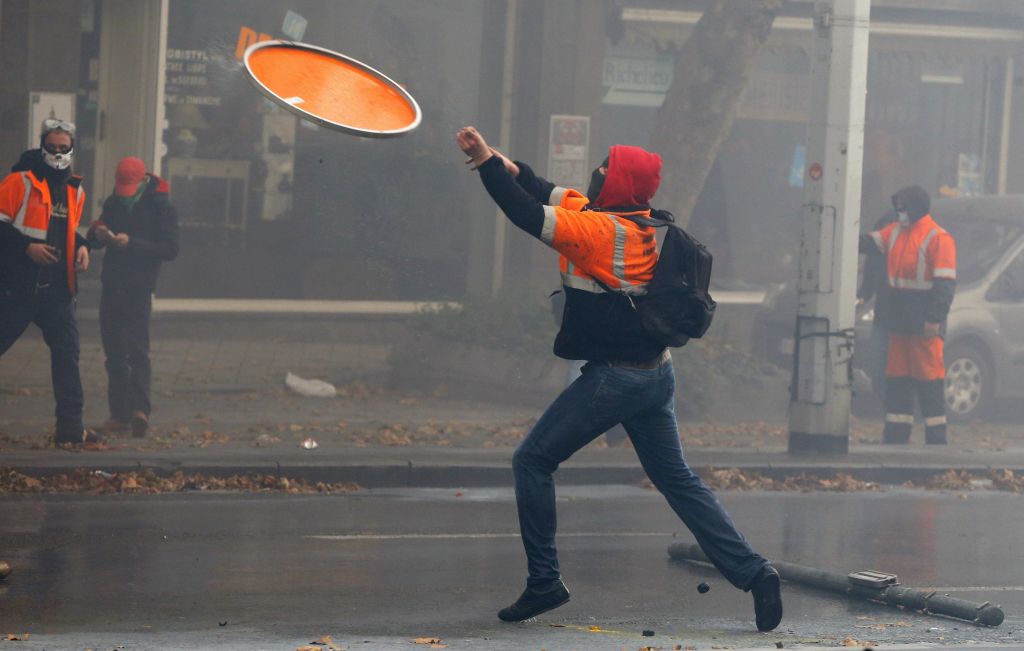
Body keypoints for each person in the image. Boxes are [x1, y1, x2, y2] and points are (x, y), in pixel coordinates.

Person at [455, 126, 782, 631]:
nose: (597, 170)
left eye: (606, 166)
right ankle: (755, 573)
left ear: (618, 181)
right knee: (678, 480)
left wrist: (481, 165)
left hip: (617, 380)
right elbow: (538, 187)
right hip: (656, 375)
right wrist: (495, 156)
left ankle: (544, 581)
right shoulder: (619, 217)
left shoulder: (597, 233)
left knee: (532, 461)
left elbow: (524, 212)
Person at [0, 119, 98, 446]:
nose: (57, 153)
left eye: (63, 148)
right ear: (42, 147)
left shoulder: (75, 189)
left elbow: (64, 228)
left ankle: (71, 430)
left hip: (57, 289)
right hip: (18, 287)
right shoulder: (19, 182)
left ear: (72, 149)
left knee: (68, 354)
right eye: (52, 147)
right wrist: (26, 247)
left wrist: (81, 245)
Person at [88, 157, 179, 438]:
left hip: (139, 285)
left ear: (143, 181)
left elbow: (170, 248)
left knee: (137, 349)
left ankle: (140, 409)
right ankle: (120, 413)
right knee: (114, 351)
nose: (123, 192)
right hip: (113, 283)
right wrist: (97, 234)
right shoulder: (113, 202)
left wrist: (133, 244)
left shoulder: (161, 207)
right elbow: (93, 241)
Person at [860, 185, 956, 444]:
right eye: (897, 204)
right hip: (899, 324)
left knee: (929, 383)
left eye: (903, 205)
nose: (899, 211)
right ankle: (895, 438)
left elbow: (945, 285)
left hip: (923, 325)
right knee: (898, 383)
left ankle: (936, 441)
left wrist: (934, 319)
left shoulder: (938, 238)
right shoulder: (895, 232)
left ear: (915, 207)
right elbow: (869, 243)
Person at [857, 209, 898, 406]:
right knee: (879, 368)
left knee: (890, 371)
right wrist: (863, 295)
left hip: (899, 321)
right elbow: (870, 277)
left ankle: (893, 413)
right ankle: (888, 408)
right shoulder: (879, 253)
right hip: (883, 317)